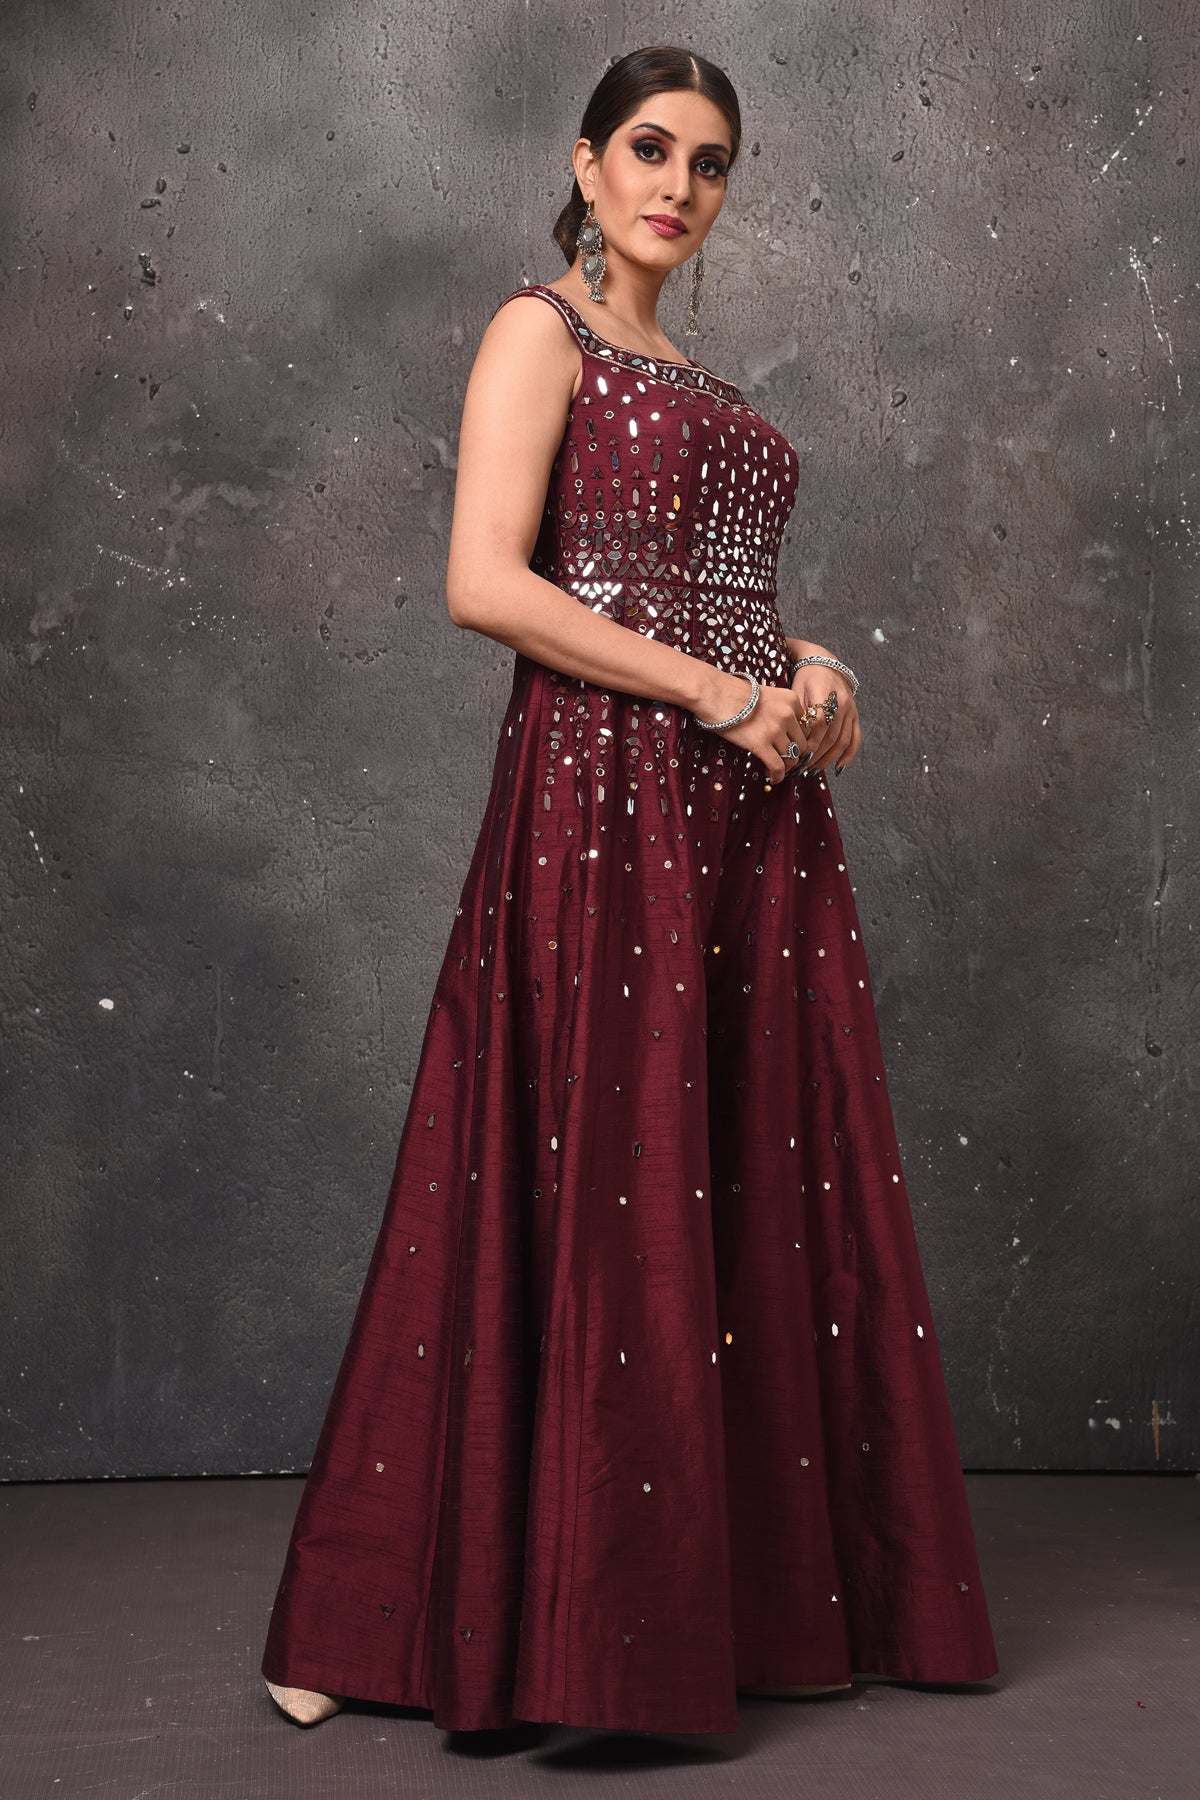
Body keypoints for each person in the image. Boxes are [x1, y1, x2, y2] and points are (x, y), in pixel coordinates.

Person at [260, 43, 999, 1738]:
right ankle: (398, 1619)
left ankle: (690, 1608)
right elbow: (487, 581)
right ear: (586, 164)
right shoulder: (541, 332)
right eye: (651, 149)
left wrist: (805, 664)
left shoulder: (698, 379)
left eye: (711, 162)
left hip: (742, 812)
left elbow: (697, 584)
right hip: (604, 804)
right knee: (573, 1170)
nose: (679, 185)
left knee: (724, 1185)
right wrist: (724, 693)